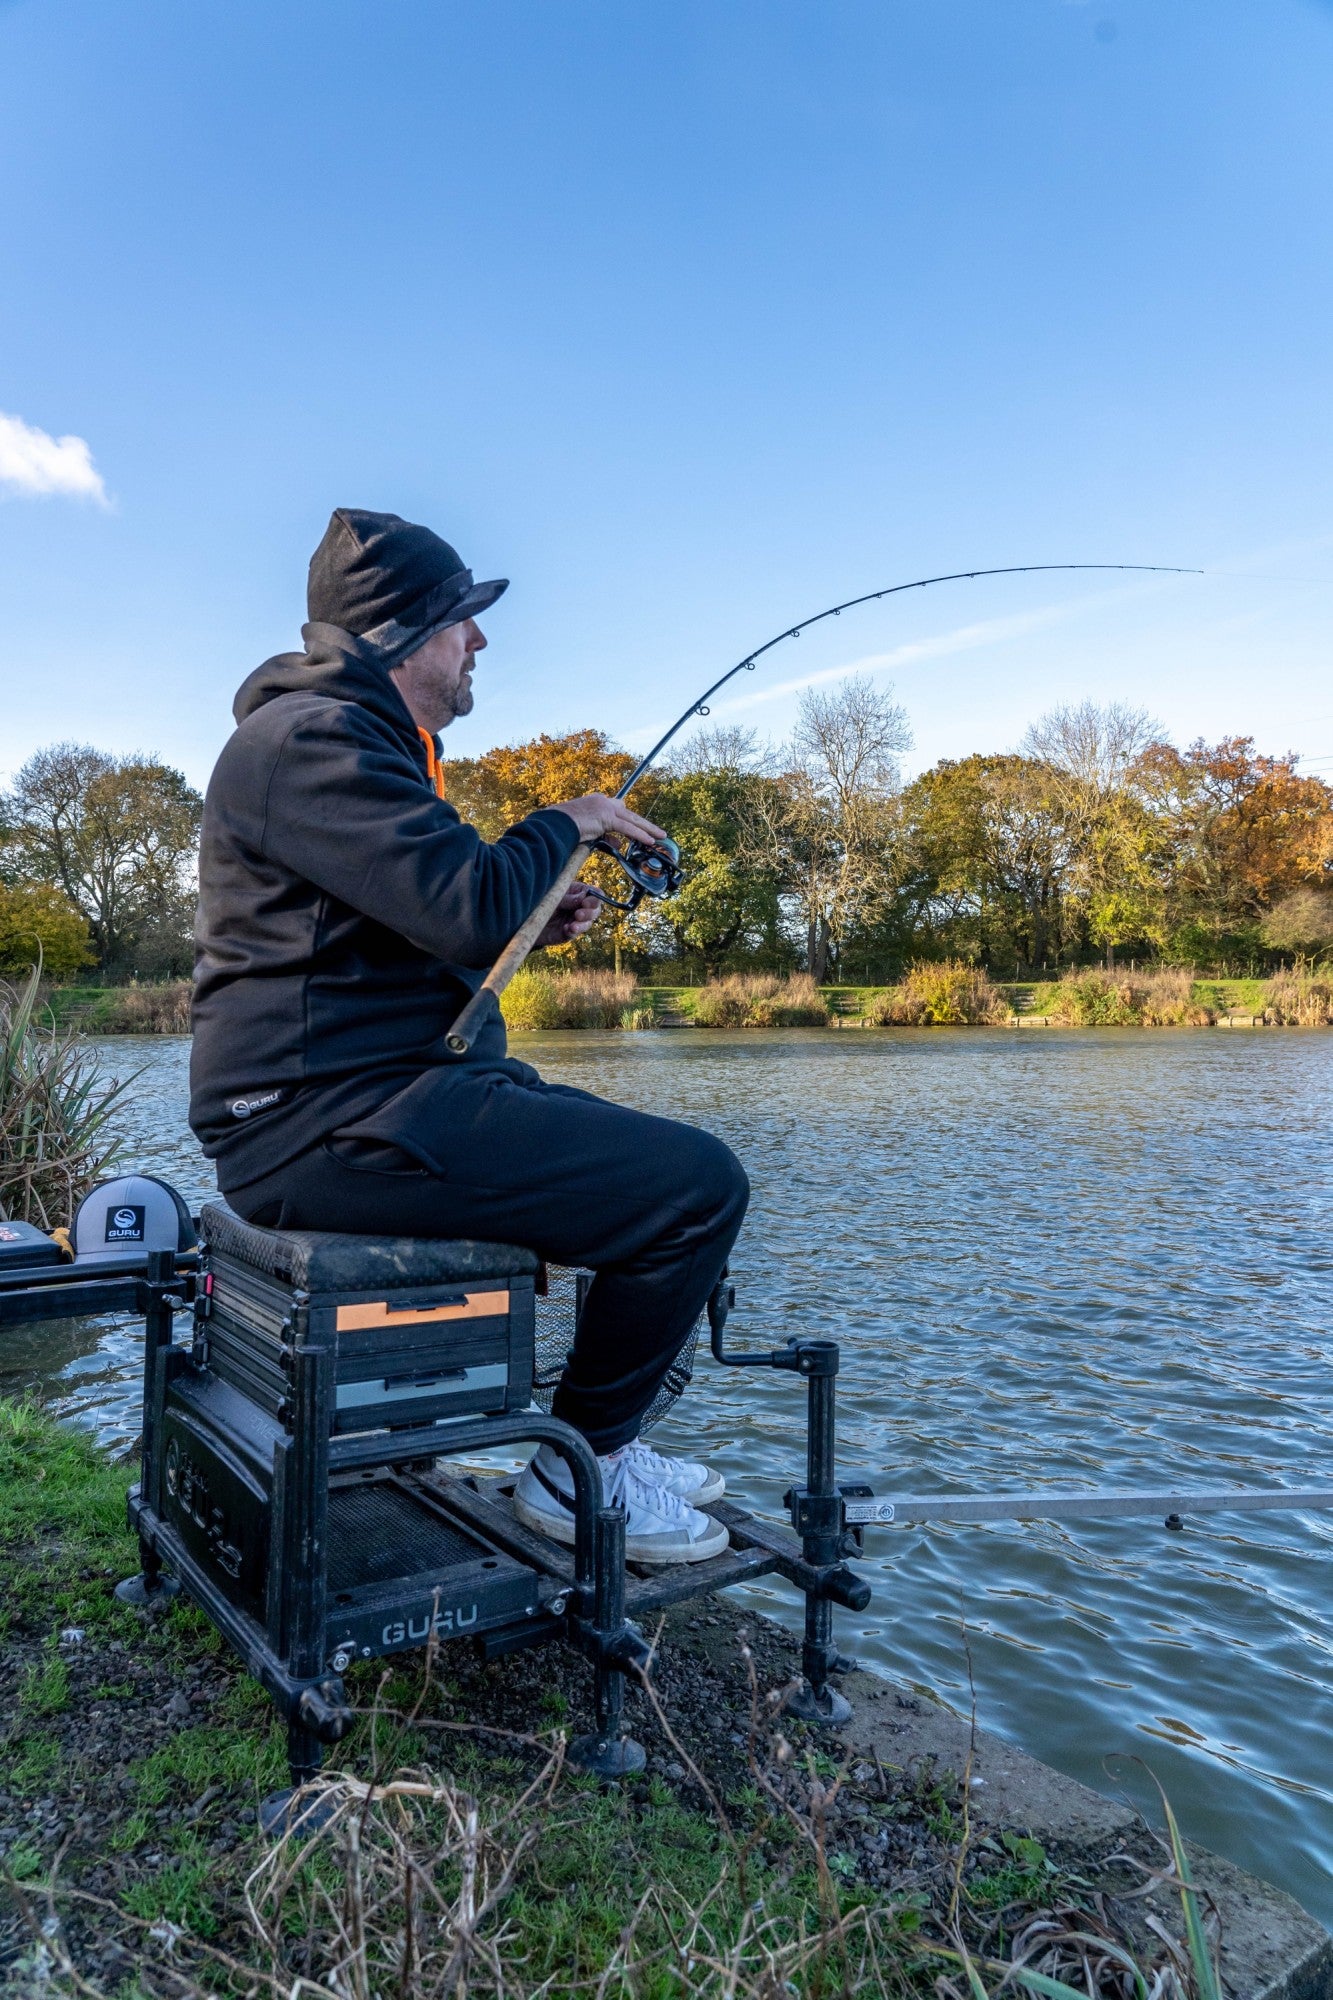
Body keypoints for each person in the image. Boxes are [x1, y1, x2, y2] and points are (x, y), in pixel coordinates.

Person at [190, 508, 749, 1564]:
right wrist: (567, 819)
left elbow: (424, 938)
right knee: (697, 1186)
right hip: (316, 1122)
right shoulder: (312, 741)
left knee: (656, 1170)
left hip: (365, 1096)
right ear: (403, 631)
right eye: (463, 621)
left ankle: (597, 1442)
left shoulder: (361, 745)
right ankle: (577, 1465)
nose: (479, 642)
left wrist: (533, 907)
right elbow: (466, 908)